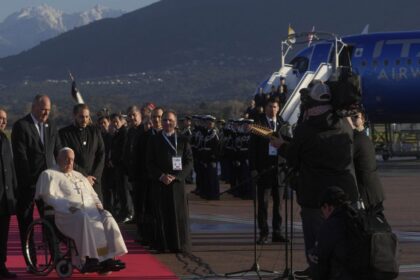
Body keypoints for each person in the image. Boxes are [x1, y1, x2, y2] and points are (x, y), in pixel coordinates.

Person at [270, 81, 358, 278]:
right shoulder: (344, 124)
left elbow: (294, 157)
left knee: (316, 241)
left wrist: (281, 145)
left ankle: (317, 271)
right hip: (345, 193)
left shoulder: (305, 129)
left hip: (315, 196)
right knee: (343, 240)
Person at [35, 148, 127, 273]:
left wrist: (99, 207)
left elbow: (93, 195)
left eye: (72, 160)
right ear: (58, 159)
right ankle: (89, 258)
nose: (69, 162)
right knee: (83, 218)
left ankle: (107, 257)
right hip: (66, 215)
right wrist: (67, 206)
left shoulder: (79, 175)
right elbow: (48, 198)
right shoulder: (49, 174)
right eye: (66, 159)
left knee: (107, 216)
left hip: (89, 211)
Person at [11, 94, 62, 266]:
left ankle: (56, 258)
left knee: (51, 222)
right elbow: (21, 158)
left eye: (48, 110)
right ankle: (31, 261)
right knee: (26, 225)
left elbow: (58, 152)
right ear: (33, 107)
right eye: (42, 109)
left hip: (47, 185)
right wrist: (30, 183)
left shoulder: (51, 125)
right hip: (27, 185)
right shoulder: (21, 126)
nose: (45, 113)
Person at [146, 110, 193, 253]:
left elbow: (189, 161)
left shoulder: (183, 139)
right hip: (161, 183)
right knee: (162, 215)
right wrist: (161, 176)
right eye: (165, 120)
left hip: (177, 184)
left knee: (178, 215)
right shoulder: (154, 140)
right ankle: (163, 245)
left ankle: (180, 245)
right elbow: (149, 162)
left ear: (175, 122)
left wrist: (177, 177)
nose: (167, 123)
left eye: (170, 120)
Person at [249, 98, 287, 244]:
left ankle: (277, 232)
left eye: (275, 106)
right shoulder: (258, 126)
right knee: (263, 204)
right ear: (265, 108)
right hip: (264, 169)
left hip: (279, 170)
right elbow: (252, 149)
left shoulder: (283, 124)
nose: (273, 109)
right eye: (270, 106)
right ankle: (263, 232)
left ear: (279, 108)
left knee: (279, 205)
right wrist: (253, 168)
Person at [59, 104, 105, 200]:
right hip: (74, 181)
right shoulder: (64, 133)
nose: (84, 120)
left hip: (94, 181)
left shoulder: (95, 131)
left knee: (97, 211)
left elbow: (101, 154)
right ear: (74, 116)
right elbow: (67, 158)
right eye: (81, 117)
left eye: (87, 117)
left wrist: (94, 176)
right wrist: (84, 177)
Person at [312, 186, 353, 280]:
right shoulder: (357, 218)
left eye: (323, 211)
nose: (323, 216)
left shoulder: (330, 225)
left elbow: (320, 258)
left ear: (328, 207)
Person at [351, 110, 385, 212]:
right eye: (351, 117)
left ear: (363, 120)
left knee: (369, 224)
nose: (352, 119)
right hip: (373, 191)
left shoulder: (358, 139)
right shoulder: (363, 137)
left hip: (367, 194)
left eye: (356, 117)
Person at [0, 110, 18, 279]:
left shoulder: (5, 139)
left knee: (3, 235)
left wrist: (14, 191)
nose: (3, 122)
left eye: (5, 119)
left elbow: (10, 168)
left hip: (6, 198)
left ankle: (1, 266)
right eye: (0, 118)